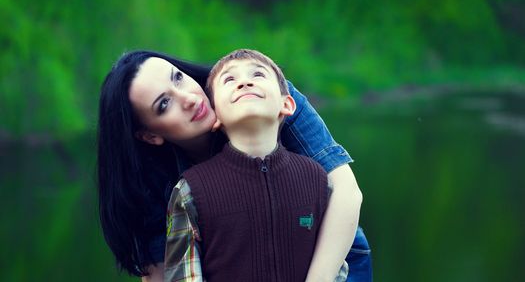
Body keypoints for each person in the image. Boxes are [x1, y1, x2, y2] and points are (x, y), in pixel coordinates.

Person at [97, 49, 371, 282]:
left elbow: (347, 193)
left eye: (178, 78)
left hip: (332, 260)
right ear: (149, 135)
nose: (189, 98)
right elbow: (164, 273)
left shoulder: (260, 92)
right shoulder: (159, 184)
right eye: (165, 104)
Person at [164, 49, 349, 281]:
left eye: (258, 75)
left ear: (287, 104)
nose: (244, 83)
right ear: (215, 115)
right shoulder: (191, 190)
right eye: (229, 80)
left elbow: (335, 268)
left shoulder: (317, 179)